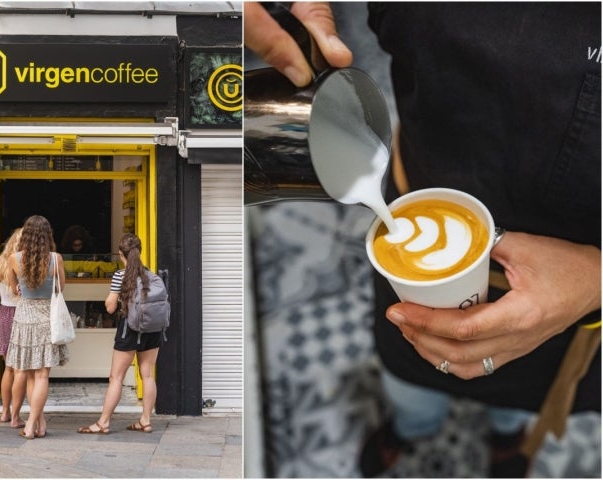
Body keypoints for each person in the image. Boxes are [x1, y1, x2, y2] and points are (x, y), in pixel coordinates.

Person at [245, 2, 601, 477]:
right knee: (410, 382)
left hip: (573, 303)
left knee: (517, 401)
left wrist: (596, 279)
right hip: (412, 207)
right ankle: (411, 429)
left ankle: (506, 437)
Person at [77, 233, 161, 434]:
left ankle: (103, 423)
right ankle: (146, 421)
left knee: (116, 378)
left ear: (121, 255)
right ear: (139, 252)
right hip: (152, 329)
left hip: (129, 328)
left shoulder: (120, 276)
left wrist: (111, 300)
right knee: (148, 376)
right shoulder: (151, 275)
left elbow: (110, 307)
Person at [6, 215, 70, 439]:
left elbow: (14, 288)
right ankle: (37, 423)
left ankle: (33, 424)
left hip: (24, 318)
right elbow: (61, 286)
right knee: (42, 376)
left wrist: (22, 288)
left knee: (31, 375)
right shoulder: (56, 258)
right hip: (47, 318)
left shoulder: (14, 259)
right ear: (47, 235)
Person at [0, 228, 26, 428]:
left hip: (3, 314)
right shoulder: (22, 263)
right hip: (20, 315)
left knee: (8, 368)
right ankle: (16, 416)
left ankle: (5, 411)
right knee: (20, 369)